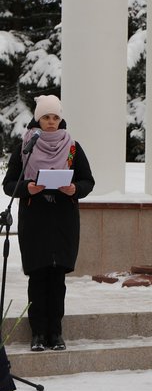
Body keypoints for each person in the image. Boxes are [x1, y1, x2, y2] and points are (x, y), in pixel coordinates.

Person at [2, 95, 95, 352]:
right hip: (35, 220)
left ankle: (56, 332)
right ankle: (38, 334)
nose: (51, 122)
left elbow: (88, 181)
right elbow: (9, 184)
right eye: (46, 117)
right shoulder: (26, 147)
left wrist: (73, 187)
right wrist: (28, 188)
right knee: (38, 276)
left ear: (60, 118)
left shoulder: (73, 147)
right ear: (38, 119)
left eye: (55, 117)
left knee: (57, 278)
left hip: (63, 220)